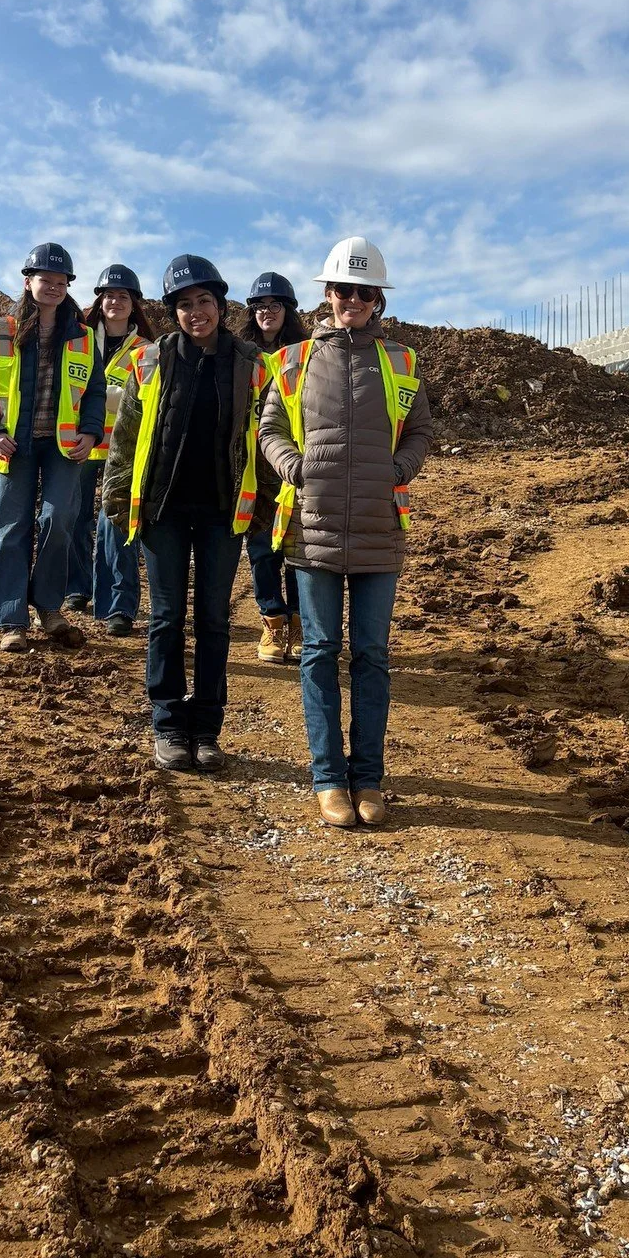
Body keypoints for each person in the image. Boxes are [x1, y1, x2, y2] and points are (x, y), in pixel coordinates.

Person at [260, 235, 433, 828]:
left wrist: (398, 469)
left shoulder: (402, 363)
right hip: (312, 530)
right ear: (327, 295)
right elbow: (269, 427)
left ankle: (369, 778)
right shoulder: (293, 361)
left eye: (363, 291)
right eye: (341, 290)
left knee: (373, 655)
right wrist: (293, 465)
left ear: (377, 299)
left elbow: (419, 433)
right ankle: (329, 778)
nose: (351, 299)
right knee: (319, 652)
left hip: (378, 533)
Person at [102, 254, 264, 772]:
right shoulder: (150, 360)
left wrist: (261, 503)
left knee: (214, 620)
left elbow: (261, 437)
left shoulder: (248, 362)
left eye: (204, 301)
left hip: (222, 511)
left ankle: (207, 728)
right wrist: (115, 494)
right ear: (173, 311)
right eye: (184, 304)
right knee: (167, 619)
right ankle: (168, 724)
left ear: (220, 304)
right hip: (162, 509)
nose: (196, 312)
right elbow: (127, 435)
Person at [0, 243, 106, 652]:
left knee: (59, 519)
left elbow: (95, 391)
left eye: (62, 282)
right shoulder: (1, 331)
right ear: (29, 282)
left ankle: (48, 606)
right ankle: (12, 618)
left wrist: (91, 432)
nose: (55, 287)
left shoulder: (81, 336)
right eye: (47, 279)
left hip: (63, 447)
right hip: (13, 447)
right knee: (11, 529)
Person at [63, 264, 157, 636]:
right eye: (109, 295)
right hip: (78, 444)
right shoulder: (80, 339)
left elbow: (144, 399)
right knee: (72, 519)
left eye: (123, 296)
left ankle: (118, 605)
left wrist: (98, 395)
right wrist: (113, 397)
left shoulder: (146, 351)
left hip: (123, 450)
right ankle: (76, 587)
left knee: (117, 527)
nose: (115, 301)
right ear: (99, 300)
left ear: (134, 304)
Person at [238, 271, 308, 663]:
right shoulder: (240, 354)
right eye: (261, 306)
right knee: (262, 548)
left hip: (294, 462)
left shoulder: (305, 354)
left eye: (275, 305)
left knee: (296, 547)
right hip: (253, 464)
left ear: (288, 311)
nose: (267, 312)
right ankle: (273, 622)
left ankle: (299, 623)